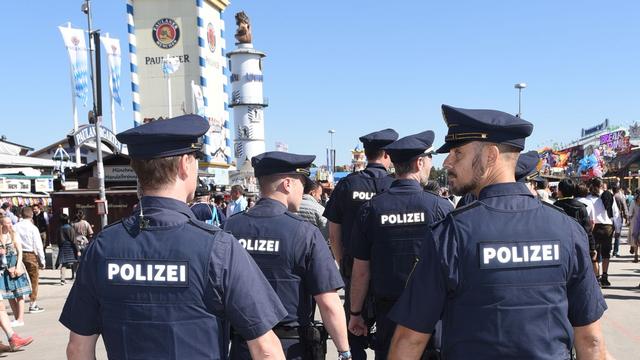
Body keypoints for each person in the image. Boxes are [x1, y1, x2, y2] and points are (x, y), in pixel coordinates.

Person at [59, 115, 288, 360]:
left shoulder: (103, 247)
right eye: (196, 160)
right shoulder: (217, 247)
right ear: (184, 165)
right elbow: (266, 350)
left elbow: (78, 348)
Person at [388, 105, 607, 359]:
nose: (447, 162)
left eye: (457, 153)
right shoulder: (568, 231)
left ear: (491, 156)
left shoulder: (451, 235)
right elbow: (590, 340)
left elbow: (410, 341)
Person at [225, 151, 350, 360]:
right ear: (287, 184)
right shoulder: (304, 233)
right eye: (302, 182)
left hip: (243, 346)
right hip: (291, 348)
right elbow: (328, 302)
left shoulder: (229, 227)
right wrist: (344, 352)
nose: (304, 190)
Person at [348, 131, 453, 359]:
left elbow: (361, 271)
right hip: (432, 318)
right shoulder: (441, 208)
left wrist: (355, 312)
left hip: (389, 315)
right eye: (429, 161)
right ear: (419, 162)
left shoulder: (371, 209)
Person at [323, 128, 398, 359]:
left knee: (353, 328)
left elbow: (333, 234)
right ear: (387, 154)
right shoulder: (394, 185)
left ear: (366, 154)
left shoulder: (347, 185)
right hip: (388, 273)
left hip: (353, 269)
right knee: (389, 334)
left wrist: (344, 262)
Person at [585, 177, 620, 287]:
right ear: (601, 185)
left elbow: (588, 215)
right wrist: (618, 228)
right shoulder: (609, 196)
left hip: (594, 227)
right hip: (607, 227)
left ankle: (596, 278)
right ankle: (605, 276)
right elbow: (615, 214)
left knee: (594, 252)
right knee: (606, 253)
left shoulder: (589, 198)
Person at [0, 215, 31, 328]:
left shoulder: (13, 235)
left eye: (10, 222)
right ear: (2, 224)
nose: (10, 225)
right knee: (10, 294)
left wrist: (18, 267)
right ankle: (16, 317)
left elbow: (20, 252)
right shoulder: (0, 236)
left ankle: (20, 318)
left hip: (14, 264)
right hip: (4, 268)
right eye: (7, 223)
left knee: (19, 293)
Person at [13, 207, 45, 314]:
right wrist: (42, 260)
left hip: (18, 254)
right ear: (31, 215)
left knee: (20, 279)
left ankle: (19, 304)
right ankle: (33, 304)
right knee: (34, 279)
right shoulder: (33, 228)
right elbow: (38, 245)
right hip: (30, 254)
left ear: (21, 215)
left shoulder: (15, 227)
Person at [55, 214, 80, 285]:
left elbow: (58, 240)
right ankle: (74, 276)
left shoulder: (60, 228)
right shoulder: (70, 228)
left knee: (64, 263)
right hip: (71, 247)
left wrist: (60, 247)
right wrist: (77, 250)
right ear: (67, 220)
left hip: (63, 247)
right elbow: (74, 240)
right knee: (75, 261)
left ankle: (62, 279)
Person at [612, 185, 628, 257]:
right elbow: (624, 207)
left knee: (609, 235)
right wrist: (627, 218)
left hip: (610, 217)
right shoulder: (620, 197)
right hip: (619, 217)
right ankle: (615, 251)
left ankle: (609, 250)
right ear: (619, 190)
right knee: (617, 235)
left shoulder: (611, 196)